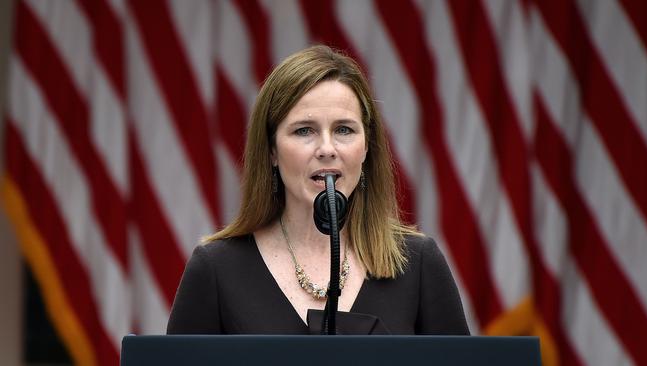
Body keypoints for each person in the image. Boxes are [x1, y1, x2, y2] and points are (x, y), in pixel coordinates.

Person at [167, 45, 469, 335]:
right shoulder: (216, 269)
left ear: (366, 148)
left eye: (343, 130)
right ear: (271, 150)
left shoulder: (418, 263)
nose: (327, 149)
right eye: (304, 131)